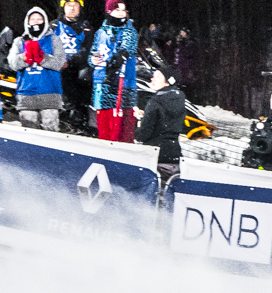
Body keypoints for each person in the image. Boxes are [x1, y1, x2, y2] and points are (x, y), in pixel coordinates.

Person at [7, 7, 65, 131]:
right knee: (28, 131)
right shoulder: (19, 41)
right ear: (27, 22)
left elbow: (59, 63)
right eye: (32, 19)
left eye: (39, 19)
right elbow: (12, 64)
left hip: (50, 92)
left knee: (51, 131)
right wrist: (24, 57)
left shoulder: (54, 39)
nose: (36, 22)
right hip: (26, 93)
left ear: (45, 21)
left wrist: (42, 58)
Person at [90, 0, 139, 142]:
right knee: (105, 126)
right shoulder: (100, 32)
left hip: (123, 83)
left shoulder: (129, 30)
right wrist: (92, 60)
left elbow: (126, 49)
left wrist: (117, 60)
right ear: (109, 12)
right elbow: (93, 52)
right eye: (117, 10)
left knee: (123, 128)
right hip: (102, 83)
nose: (121, 13)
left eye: (123, 10)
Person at [135, 66, 185, 181]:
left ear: (167, 82)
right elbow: (168, 122)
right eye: (153, 75)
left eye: (158, 76)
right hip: (174, 155)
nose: (152, 78)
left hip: (155, 156)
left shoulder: (155, 101)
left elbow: (144, 134)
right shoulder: (180, 98)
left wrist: (138, 125)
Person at [53, 0, 93, 128]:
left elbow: (88, 49)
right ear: (63, 8)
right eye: (69, 5)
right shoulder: (54, 26)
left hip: (77, 69)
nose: (72, 8)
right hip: (57, 67)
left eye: (75, 5)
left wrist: (71, 60)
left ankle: (78, 115)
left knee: (84, 75)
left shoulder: (86, 27)